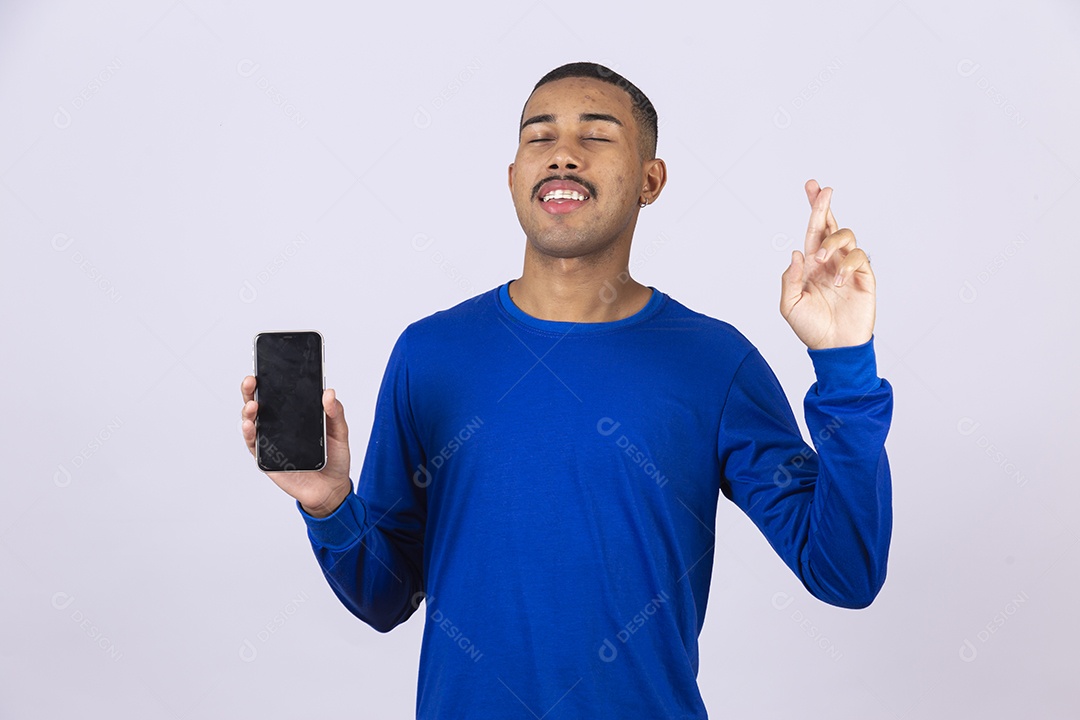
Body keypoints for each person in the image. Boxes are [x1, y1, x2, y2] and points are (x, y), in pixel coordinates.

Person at [240, 61, 893, 719]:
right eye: (539, 138)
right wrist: (329, 504)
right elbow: (384, 599)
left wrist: (845, 367)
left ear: (651, 180)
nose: (562, 156)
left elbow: (845, 573)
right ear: (513, 177)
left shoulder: (714, 363)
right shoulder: (429, 354)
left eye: (598, 136)